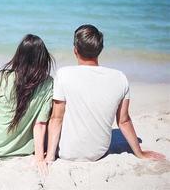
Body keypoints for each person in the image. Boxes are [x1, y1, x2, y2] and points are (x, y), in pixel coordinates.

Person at [45, 24, 165, 166]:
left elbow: (56, 118)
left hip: (66, 152)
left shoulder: (63, 74)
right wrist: (139, 153)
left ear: (75, 50)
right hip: (99, 153)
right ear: (100, 50)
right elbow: (123, 121)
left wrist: (50, 157)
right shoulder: (120, 77)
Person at [0, 34, 55, 167]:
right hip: (21, 148)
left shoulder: (3, 77)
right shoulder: (48, 84)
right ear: (43, 58)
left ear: (19, 55)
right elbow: (40, 124)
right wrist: (39, 158)